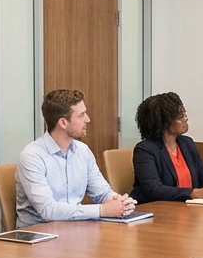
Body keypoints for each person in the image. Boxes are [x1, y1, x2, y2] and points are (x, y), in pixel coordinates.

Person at [15, 89, 135, 228]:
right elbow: (48, 210)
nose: (88, 119)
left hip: (74, 229)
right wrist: (102, 210)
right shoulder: (32, 156)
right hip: (39, 234)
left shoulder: (83, 151)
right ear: (63, 123)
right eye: (81, 115)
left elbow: (101, 192)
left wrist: (118, 201)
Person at [130, 92, 203, 203]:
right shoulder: (145, 150)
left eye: (184, 114)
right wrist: (195, 193)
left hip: (185, 208)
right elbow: (153, 189)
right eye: (180, 117)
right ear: (164, 122)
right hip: (156, 210)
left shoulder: (187, 143)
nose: (186, 119)